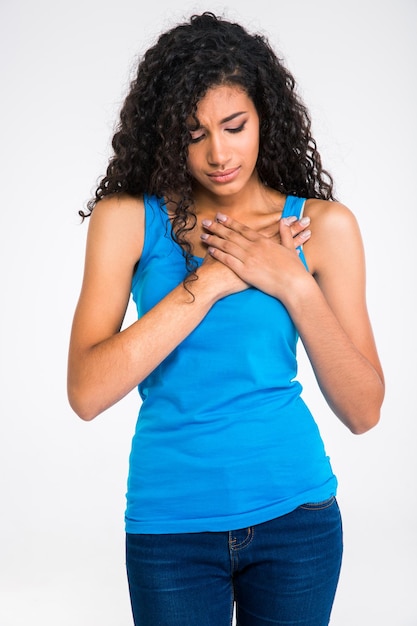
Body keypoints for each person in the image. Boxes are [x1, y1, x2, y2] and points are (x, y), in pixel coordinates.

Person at [67, 12, 384, 626]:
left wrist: (289, 279)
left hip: (298, 519)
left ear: (265, 116)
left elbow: (365, 411)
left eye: (235, 126)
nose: (218, 153)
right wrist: (212, 280)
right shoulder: (128, 220)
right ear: (166, 136)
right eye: (193, 133)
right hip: (171, 527)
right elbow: (86, 390)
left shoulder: (323, 228)